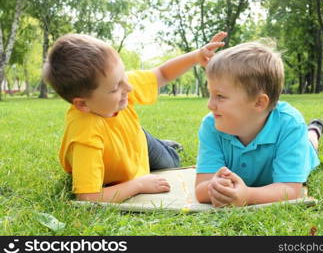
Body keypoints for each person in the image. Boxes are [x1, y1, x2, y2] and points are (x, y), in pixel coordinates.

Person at [43, 31, 227, 203]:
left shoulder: (118, 84)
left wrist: (196, 56)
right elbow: (88, 197)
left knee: (171, 161)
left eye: (124, 76)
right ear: (82, 104)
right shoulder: (85, 136)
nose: (129, 88)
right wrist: (138, 185)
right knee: (165, 166)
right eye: (115, 88)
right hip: (117, 150)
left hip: (135, 137)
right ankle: (163, 144)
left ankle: (165, 144)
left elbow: (161, 74)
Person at [194, 41, 323, 207]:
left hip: (302, 147)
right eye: (210, 94)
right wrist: (216, 188)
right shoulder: (211, 125)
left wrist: (247, 195)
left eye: (220, 96)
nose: (210, 105)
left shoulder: (290, 125)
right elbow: (201, 188)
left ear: (258, 103)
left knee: (309, 144)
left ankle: (314, 130)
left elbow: (290, 190)